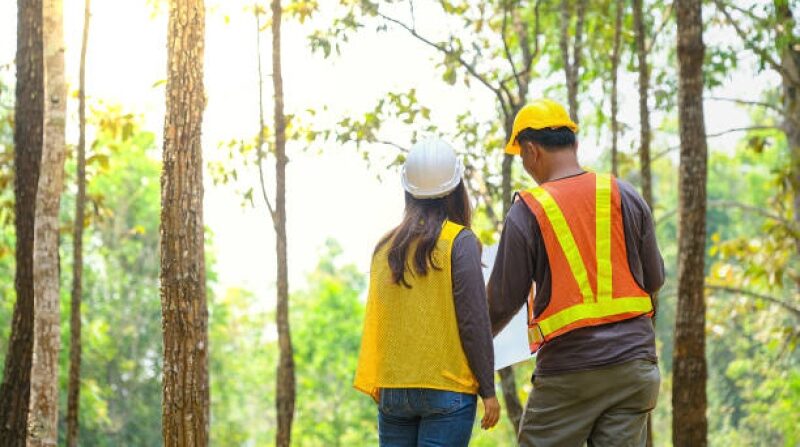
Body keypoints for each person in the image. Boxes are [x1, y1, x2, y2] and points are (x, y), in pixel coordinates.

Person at [487, 99, 665, 447]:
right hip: (635, 369)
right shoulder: (623, 193)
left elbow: (499, 305)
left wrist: (468, 357)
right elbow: (654, 280)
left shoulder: (529, 210)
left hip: (570, 373)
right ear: (575, 144)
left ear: (531, 150)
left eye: (522, 157)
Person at [354, 138, 500, 447]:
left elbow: (382, 324)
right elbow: (473, 322)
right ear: (456, 188)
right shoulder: (459, 242)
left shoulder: (385, 248)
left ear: (408, 190)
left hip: (394, 389)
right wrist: (488, 390)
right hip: (447, 390)